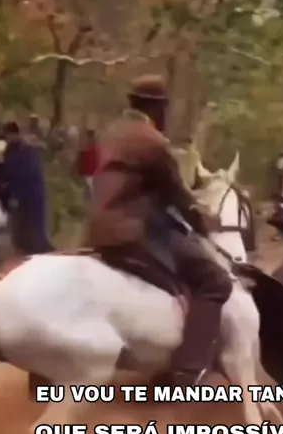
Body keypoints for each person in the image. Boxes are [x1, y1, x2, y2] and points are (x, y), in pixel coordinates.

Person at [83, 74, 233, 387]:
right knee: (215, 281)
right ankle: (188, 370)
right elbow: (177, 195)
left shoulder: (110, 133)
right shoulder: (153, 141)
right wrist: (204, 225)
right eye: (166, 109)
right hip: (132, 233)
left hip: (96, 229)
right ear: (158, 109)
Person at [3, 121, 53, 255]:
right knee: (23, 223)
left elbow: (26, 173)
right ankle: (28, 248)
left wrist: (16, 194)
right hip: (23, 191)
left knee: (35, 223)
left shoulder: (26, 149)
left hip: (32, 192)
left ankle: (40, 249)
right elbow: (10, 170)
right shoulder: (12, 149)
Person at [76, 128, 100, 202]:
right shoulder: (90, 147)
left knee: (89, 189)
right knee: (88, 189)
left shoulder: (92, 147)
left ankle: (89, 202)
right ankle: (88, 202)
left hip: (90, 171)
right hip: (89, 171)